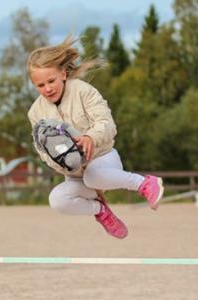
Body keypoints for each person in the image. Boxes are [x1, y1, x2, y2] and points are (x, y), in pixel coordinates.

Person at [26, 36, 164, 239]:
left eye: (51, 81)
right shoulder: (35, 113)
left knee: (93, 175)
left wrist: (91, 137)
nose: (47, 88)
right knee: (57, 200)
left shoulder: (83, 91)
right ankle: (101, 211)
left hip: (104, 160)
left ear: (63, 74)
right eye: (40, 85)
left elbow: (106, 123)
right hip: (76, 175)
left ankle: (144, 184)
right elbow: (43, 151)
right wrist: (63, 164)